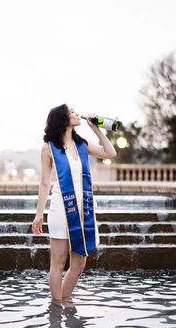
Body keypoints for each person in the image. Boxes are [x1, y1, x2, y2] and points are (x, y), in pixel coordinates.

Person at [32, 104, 116, 302]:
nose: (76, 113)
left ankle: (62, 299)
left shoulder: (82, 145)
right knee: (58, 263)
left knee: (79, 263)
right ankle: (57, 308)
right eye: (71, 112)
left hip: (84, 208)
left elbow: (110, 153)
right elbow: (45, 183)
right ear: (61, 118)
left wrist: (96, 129)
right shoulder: (48, 148)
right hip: (61, 208)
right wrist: (38, 214)